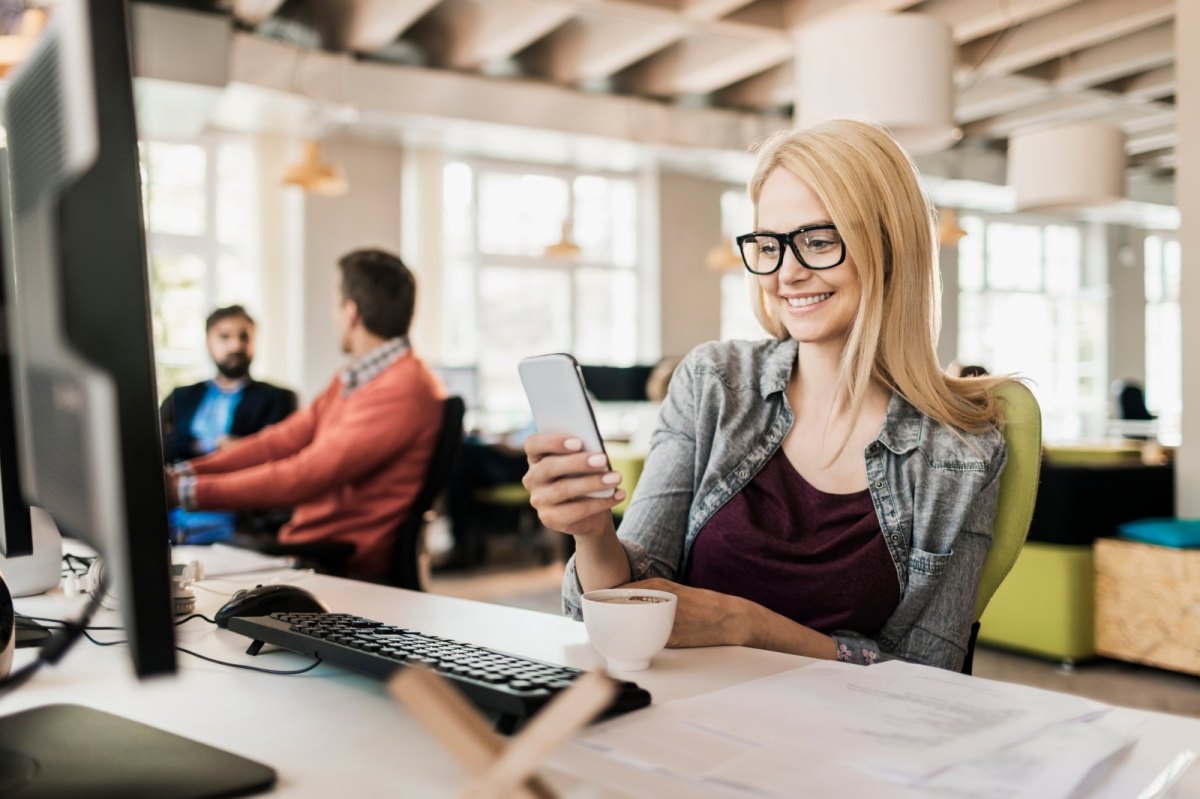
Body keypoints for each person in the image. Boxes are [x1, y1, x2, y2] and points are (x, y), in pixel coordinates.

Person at [524, 120, 1012, 672]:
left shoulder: (962, 451)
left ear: (890, 245)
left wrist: (750, 626)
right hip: (683, 718)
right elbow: (630, 595)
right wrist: (591, 533)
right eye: (768, 244)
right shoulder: (713, 384)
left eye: (819, 241)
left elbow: (931, 669)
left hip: (850, 744)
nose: (788, 272)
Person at [168, 249, 445, 580]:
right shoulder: (355, 377)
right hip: (305, 545)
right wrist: (184, 472)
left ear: (351, 312)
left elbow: (304, 474)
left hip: (335, 562)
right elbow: (280, 441)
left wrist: (184, 493)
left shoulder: (403, 388)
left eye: (335, 304)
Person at [160, 305, 297, 543]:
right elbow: (160, 447)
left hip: (237, 518)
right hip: (170, 512)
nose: (236, 346)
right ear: (208, 342)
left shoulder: (277, 398)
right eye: (225, 337)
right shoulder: (181, 398)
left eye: (244, 336)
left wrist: (243, 449)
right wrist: (210, 443)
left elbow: (280, 457)